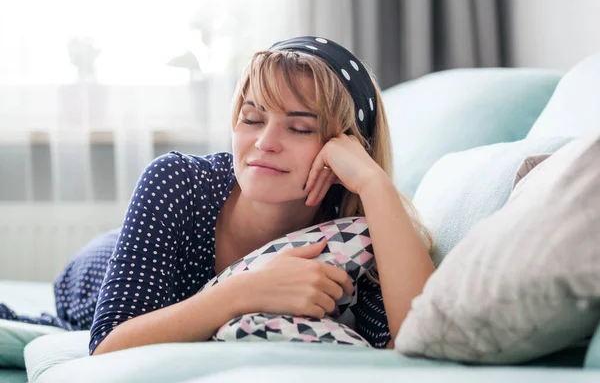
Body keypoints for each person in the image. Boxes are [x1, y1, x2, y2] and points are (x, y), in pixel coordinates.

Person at [1, 36, 435, 355]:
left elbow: (413, 337)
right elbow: (108, 345)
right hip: (99, 264)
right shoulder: (176, 181)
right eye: (251, 119)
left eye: (300, 128)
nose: (265, 142)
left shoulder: (360, 236)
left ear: (345, 149)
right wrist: (248, 290)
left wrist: (374, 184)